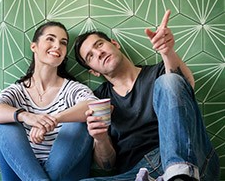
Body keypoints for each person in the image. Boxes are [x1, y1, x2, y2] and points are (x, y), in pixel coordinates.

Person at [74, 10, 220, 181]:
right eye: (90, 56)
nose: (99, 53)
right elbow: (108, 165)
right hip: (137, 173)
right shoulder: (97, 100)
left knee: (169, 80)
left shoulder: (160, 71)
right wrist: (100, 138)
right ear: (94, 72)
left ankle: (178, 173)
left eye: (99, 44)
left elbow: (185, 85)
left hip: (191, 160)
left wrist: (167, 51)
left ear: (115, 43)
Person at [0, 21, 98, 181]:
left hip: (67, 172)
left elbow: (93, 106)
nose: (57, 46)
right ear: (34, 47)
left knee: (79, 122)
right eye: (50, 39)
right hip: (22, 171)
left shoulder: (72, 89)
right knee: (6, 125)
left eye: (63, 43)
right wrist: (27, 116)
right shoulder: (18, 91)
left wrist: (52, 120)